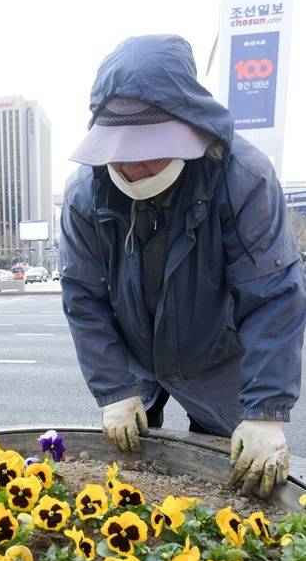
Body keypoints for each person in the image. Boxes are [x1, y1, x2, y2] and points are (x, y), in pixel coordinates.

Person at [59, 34, 306, 498]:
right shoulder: (84, 195)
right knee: (128, 478)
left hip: (215, 354)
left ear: (187, 128)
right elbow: (83, 296)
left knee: (231, 480)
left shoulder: (242, 177)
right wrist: (114, 389)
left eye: (147, 148)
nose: (130, 166)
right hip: (134, 357)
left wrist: (264, 411)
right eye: (119, 149)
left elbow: (272, 295)